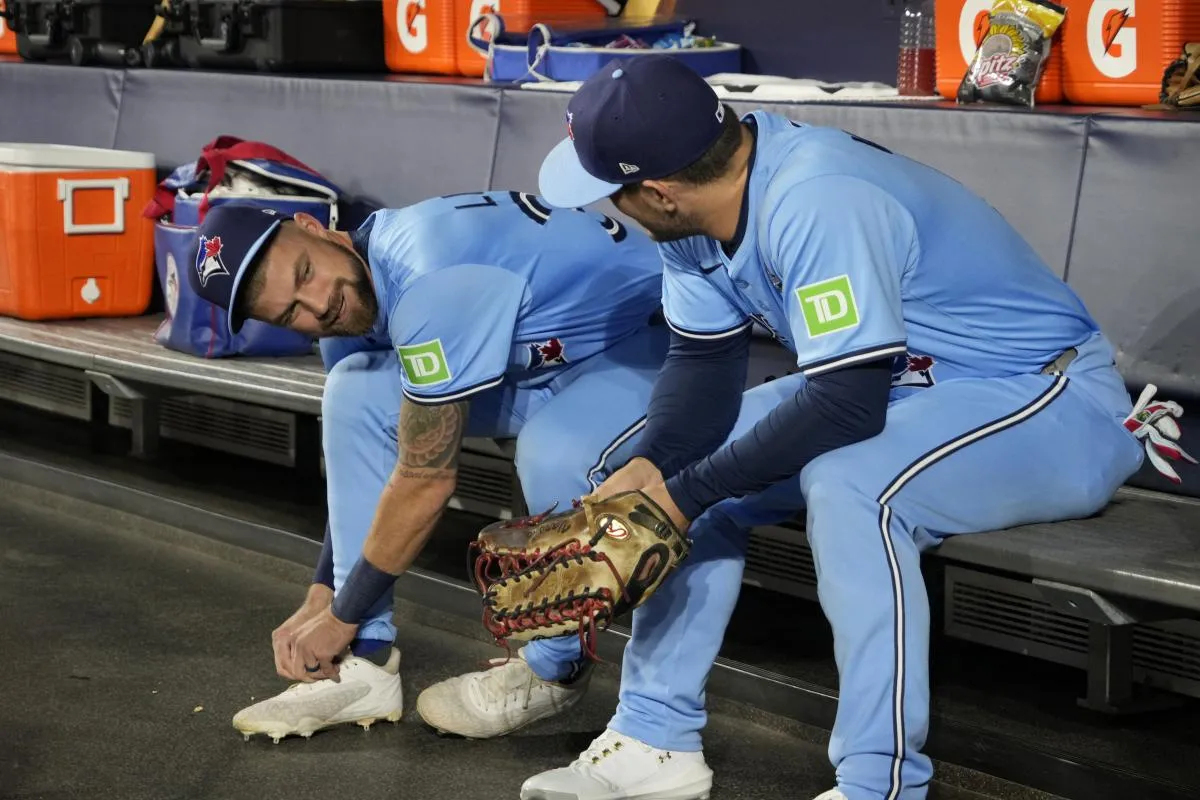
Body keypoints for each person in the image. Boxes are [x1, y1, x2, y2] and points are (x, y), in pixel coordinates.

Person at [497, 53, 1170, 800]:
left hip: (1046, 399)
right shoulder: (692, 218)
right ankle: (654, 740)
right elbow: (702, 371)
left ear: (657, 191)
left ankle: (878, 783)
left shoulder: (815, 197)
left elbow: (848, 406)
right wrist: (656, 469)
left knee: (851, 487)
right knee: (651, 475)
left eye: (612, 191)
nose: (610, 205)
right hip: (908, 392)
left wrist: (681, 496)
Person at [182, 190, 740, 779]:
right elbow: (382, 459)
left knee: (553, 450)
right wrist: (327, 593)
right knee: (355, 391)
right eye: (288, 310)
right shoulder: (350, 301)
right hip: (546, 361)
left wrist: (339, 614)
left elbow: (424, 479)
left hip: (661, 345)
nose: (317, 304)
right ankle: (365, 664)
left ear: (311, 226)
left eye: (304, 272)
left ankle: (559, 671)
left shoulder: (426, 272)